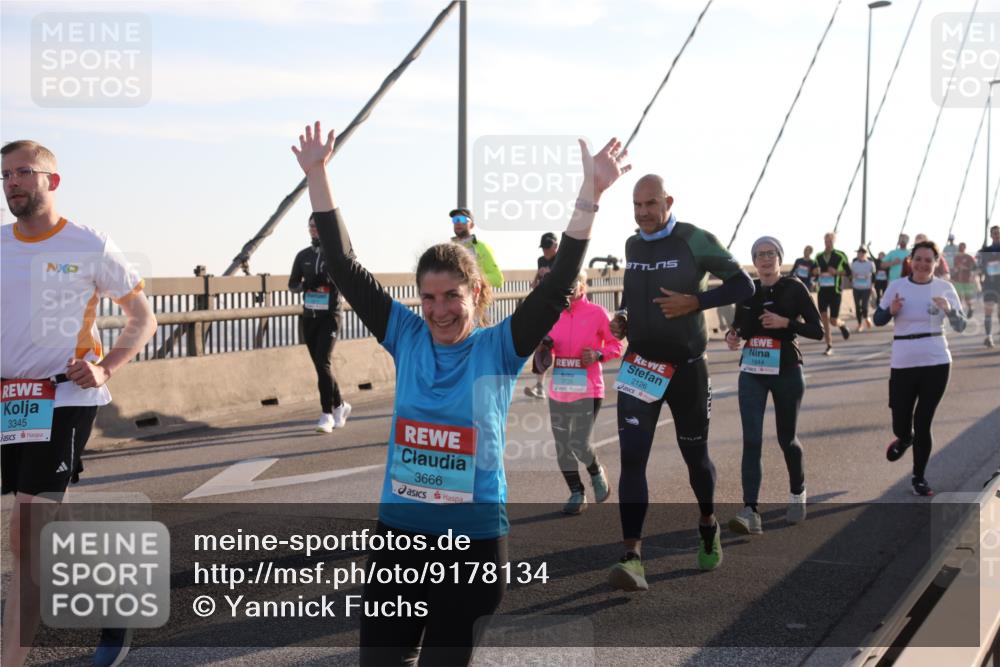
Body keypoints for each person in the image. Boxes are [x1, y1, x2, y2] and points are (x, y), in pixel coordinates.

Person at [293, 122, 631, 664]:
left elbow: (562, 277)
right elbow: (345, 267)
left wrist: (590, 195)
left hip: (472, 547)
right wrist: (318, 175)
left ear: (475, 293)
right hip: (399, 542)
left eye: (451, 296)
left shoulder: (498, 348)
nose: (439, 310)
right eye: (428, 297)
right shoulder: (405, 335)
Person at [1, 140, 157, 667]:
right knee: (47, 520)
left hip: (65, 396)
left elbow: (143, 317)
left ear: (53, 181)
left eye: (23, 172)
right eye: (4, 176)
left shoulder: (88, 244)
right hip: (9, 402)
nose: (12, 183)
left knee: (25, 535)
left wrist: (104, 366)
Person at [606, 173, 754, 592]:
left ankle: (708, 521)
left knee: (696, 461)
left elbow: (743, 285)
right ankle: (632, 555)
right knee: (632, 460)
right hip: (640, 366)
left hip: (687, 368)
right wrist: (624, 317)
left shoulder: (695, 240)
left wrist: (697, 302)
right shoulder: (633, 244)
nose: (642, 214)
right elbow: (634, 292)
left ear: (668, 201)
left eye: (650, 204)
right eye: (636, 206)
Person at [725, 237, 822, 534]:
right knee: (751, 440)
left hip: (787, 371)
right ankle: (750, 510)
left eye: (770, 254)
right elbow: (741, 326)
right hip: (752, 370)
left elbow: (817, 330)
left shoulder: (794, 288)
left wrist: (785, 323)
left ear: (780, 258)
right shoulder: (747, 290)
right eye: (759, 255)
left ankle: (797, 492)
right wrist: (733, 336)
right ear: (754, 261)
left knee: (786, 439)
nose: (765, 259)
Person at [875, 240, 966, 496]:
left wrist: (949, 311)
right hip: (903, 361)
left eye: (928, 260)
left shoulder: (945, 288)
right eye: (919, 259)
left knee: (923, 421)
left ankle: (919, 477)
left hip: (936, 360)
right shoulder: (896, 287)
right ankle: (904, 438)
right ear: (910, 261)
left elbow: (960, 326)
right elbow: (878, 318)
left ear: (936, 264)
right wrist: (891, 311)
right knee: (901, 421)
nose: (923, 264)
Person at [546, 269, 623, 514]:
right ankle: (577, 493)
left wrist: (598, 354)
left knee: (578, 442)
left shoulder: (597, 313)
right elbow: (544, 343)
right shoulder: (553, 312)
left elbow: (617, 344)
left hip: (588, 388)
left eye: (575, 281)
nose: (570, 286)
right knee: (562, 446)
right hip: (559, 389)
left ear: (584, 285)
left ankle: (595, 470)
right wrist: (543, 348)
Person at [288, 215, 350, 432]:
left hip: (330, 315)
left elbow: (347, 280)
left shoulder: (335, 255)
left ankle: (326, 415)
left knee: (323, 362)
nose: (314, 230)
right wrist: (305, 285)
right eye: (311, 226)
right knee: (320, 365)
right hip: (309, 316)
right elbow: (292, 285)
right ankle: (340, 405)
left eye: (318, 226)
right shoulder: (302, 256)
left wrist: (330, 282)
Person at [524, 232, 560, 400]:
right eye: (543, 248)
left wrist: (550, 275)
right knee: (542, 346)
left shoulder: (563, 259)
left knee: (566, 350)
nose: (545, 252)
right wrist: (536, 281)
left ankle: (569, 386)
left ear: (556, 246)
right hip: (545, 307)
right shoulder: (541, 260)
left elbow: (568, 281)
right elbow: (537, 279)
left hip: (562, 309)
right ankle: (540, 387)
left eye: (548, 248)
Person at [814, 232, 852, 355]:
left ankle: (842, 325)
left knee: (833, 320)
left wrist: (836, 272)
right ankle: (829, 345)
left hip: (835, 291)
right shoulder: (818, 256)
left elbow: (848, 272)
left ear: (834, 241)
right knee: (824, 318)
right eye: (826, 241)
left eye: (830, 241)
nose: (828, 243)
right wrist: (815, 272)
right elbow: (813, 272)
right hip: (822, 291)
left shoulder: (840, 256)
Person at [450, 207, 504, 289]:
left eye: (463, 219)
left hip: (478, 300)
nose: (458, 222)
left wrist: (471, 278)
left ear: (471, 225)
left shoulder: (482, 247)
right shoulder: (447, 250)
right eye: (455, 220)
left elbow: (498, 279)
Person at [980, 225, 1000, 348]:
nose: (997, 235)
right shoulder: (985, 250)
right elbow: (981, 267)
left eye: (998, 233)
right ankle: (988, 337)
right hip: (989, 284)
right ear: (991, 235)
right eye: (994, 233)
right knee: (988, 311)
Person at [850, 246, 876, 332]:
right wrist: (853, 278)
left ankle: (866, 317)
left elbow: (874, 275)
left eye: (863, 253)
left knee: (864, 306)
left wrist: (872, 286)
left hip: (866, 287)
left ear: (866, 254)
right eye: (859, 253)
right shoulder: (854, 263)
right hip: (856, 287)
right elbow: (850, 275)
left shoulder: (870, 264)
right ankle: (859, 324)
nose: (861, 254)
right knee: (857, 306)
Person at [952, 242, 978, 319]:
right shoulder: (956, 257)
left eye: (963, 247)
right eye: (960, 247)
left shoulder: (969, 257)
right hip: (958, 280)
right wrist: (955, 271)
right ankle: (960, 313)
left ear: (965, 248)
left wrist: (967, 269)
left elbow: (975, 268)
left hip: (967, 280)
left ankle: (970, 309)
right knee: (959, 297)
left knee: (967, 298)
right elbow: (953, 268)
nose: (961, 248)